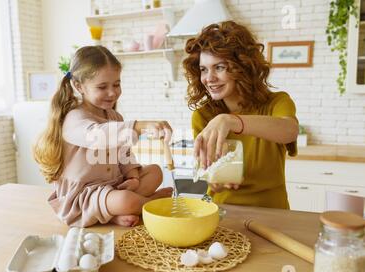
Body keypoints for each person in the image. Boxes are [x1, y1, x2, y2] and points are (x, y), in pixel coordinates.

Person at [34, 45, 173, 227]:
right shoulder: (74, 118)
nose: (112, 92)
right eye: (102, 87)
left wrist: (133, 177)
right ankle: (149, 204)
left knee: (155, 171)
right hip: (85, 195)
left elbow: (124, 153)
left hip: (113, 186)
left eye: (116, 84)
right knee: (124, 200)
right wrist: (138, 126)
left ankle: (117, 212)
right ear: (79, 86)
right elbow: (98, 136)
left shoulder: (115, 117)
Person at [183, 21, 299, 209]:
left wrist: (231, 121)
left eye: (219, 67)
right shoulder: (203, 116)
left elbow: (289, 131)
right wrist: (215, 181)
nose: (209, 78)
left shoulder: (276, 103)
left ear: (243, 66)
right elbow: (208, 173)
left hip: (273, 213)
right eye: (204, 69)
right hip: (221, 212)